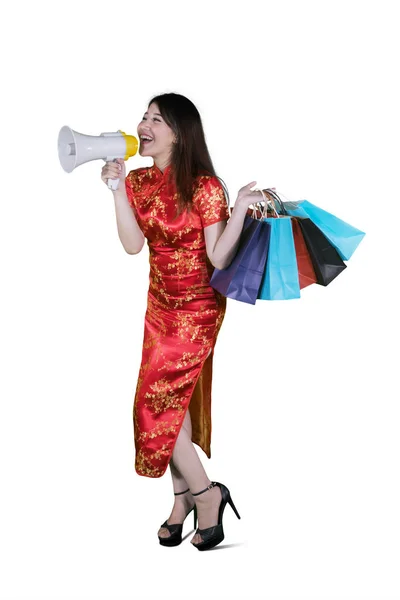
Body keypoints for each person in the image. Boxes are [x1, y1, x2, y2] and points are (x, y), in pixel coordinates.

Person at [101, 93, 262, 551]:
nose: (144, 124)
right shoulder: (137, 183)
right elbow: (133, 246)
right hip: (159, 304)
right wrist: (115, 191)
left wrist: (241, 210)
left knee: (153, 408)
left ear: (179, 132)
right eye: (144, 116)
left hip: (196, 309)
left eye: (157, 118)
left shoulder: (207, 187)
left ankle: (208, 495)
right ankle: (182, 500)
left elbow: (218, 256)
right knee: (174, 406)